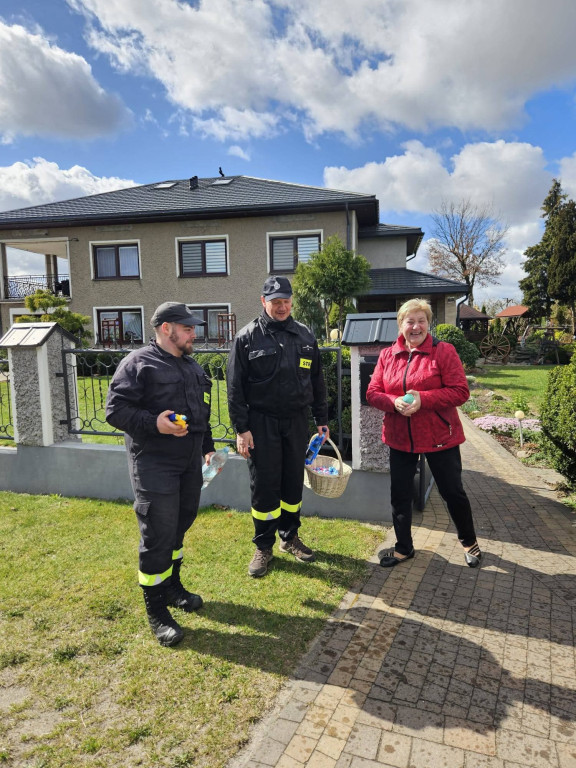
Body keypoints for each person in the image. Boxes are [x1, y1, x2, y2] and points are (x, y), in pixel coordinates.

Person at [105, 302, 215, 647]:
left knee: (181, 522)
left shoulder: (192, 365)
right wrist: (155, 423)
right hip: (154, 463)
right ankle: (156, 610)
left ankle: (172, 588)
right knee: (158, 532)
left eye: (193, 328)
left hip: (188, 463)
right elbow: (115, 410)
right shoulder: (138, 364)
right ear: (166, 328)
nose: (193, 333)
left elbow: (201, 412)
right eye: (187, 328)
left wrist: (208, 448)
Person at [366, 298, 482, 569]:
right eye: (410, 321)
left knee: (452, 492)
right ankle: (404, 547)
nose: (416, 327)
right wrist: (393, 403)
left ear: (429, 324)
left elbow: (460, 392)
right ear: (401, 325)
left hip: (439, 436)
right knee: (400, 495)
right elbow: (373, 393)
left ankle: (469, 541)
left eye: (421, 321)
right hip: (399, 437)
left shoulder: (444, 352)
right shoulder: (387, 355)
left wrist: (424, 399)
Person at [227, 276, 329, 577]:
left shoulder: (306, 337)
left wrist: (321, 420)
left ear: (291, 301)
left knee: (292, 483)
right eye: (275, 302)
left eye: (286, 300)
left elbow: (317, 382)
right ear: (263, 302)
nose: (281, 306)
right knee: (264, 485)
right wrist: (241, 429)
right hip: (261, 423)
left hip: (296, 422)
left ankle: (290, 537)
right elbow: (234, 389)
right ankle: (263, 546)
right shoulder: (246, 338)